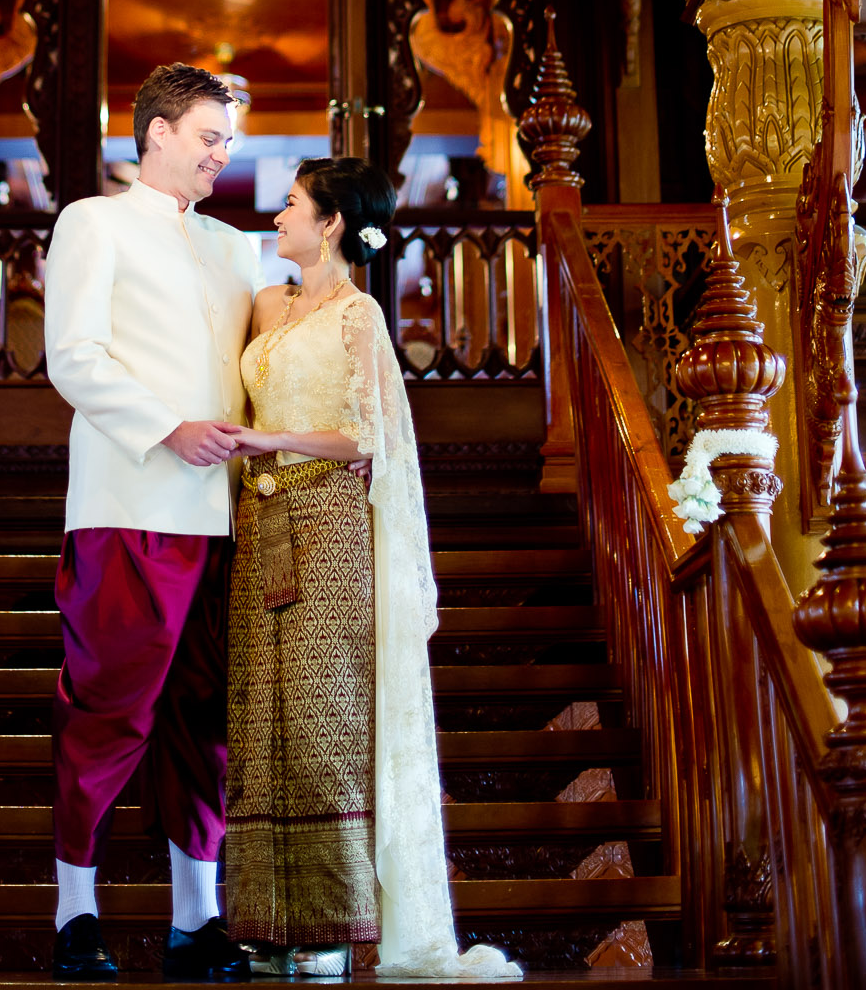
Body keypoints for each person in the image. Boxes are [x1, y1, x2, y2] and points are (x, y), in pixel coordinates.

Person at [225, 157, 522, 982]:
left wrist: (269, 439)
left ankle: (331, 927)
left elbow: (371, 437)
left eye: (291, 204)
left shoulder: (358, 315)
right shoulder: (265, 304)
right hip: (260, 520)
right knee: (259, 718)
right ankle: (262, 922)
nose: (276, 216)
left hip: (329, 523)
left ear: (329, 223)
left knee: (325, 719)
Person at [44, 63, 261, 983]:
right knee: (107, 708)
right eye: (209, 137)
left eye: (228, 142)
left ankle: (195, 919)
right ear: (157, 133)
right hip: (126, 504)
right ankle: (75, 912)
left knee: (203, 719)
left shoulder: (237, 248)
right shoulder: (92, 222)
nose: (221, 155)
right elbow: (73, 356)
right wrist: (168, 427)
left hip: (226, 516)